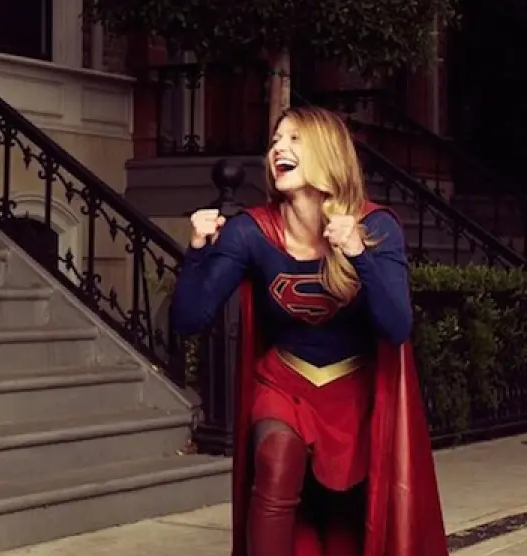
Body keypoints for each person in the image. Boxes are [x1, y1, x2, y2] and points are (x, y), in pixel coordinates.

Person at [170, 106, 448, 556]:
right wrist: (197, 250)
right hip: (284, 381)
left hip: (353, 390)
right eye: (275, 140)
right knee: (276, 461)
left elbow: (397, 327)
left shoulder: (375, 226)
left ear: (327, 151)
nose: (278, 148)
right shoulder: (251, 232)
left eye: (295, 139)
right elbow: (189, 319)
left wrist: (358, 253)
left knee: (349, 523)